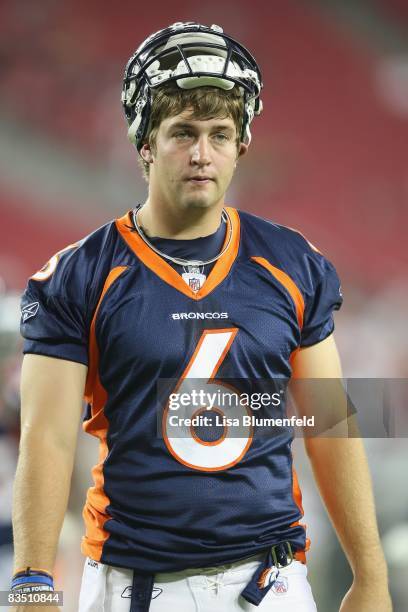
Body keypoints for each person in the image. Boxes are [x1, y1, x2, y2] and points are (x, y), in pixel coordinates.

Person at [12, 22, 391, 612]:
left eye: (219, 134)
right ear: (144, 143)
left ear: (242, 144)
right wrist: (33, 578)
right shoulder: (79, 274)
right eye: (182, 132)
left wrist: (371, 576)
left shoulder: (292, 262)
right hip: (136, 581)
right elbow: (48, 438)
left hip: (269, 584)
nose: (201, 154)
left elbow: (330, 425)